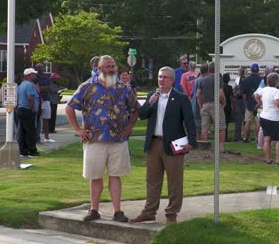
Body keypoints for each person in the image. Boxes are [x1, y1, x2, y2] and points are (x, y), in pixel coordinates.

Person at [65, 55, 139, 222]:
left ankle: (117, 211)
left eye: (113, 66)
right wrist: (78, 129)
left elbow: (135, 109)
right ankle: (94, 210)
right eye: (107, 66)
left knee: (116, 175)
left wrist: (129, 127)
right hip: (94, 140)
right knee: (95, 176)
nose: (112, 69)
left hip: (118, 140)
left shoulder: (123, 88)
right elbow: (70, 108)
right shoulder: (86, 87)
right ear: (99, 68)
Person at [130, 66, 196, 224]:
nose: (162, 80)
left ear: (172, 80)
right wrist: (150, 102)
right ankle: (149, 211)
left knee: (174, 182)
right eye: (160, 77)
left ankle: (171, 213)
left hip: (173, 145)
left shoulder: (180, 98)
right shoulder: (152, 96)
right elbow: (143, 115)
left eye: (165, 77)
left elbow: (190, 122)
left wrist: (191, 142)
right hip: (154, 144)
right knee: (152, 180)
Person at [254, 73, 279, 165]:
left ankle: (268, 160)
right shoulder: (276, 91)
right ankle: (278, 160)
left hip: (264, 117)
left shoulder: (264, 90)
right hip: (275, 118)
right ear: (277, 82)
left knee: (267, 138)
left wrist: (260, 104)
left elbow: (255, 94)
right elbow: (278, 102)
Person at [197, 62, 226, 150]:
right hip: (215, 104)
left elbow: (198, 95)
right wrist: (224, 102)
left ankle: (204, 148)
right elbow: (220, 94)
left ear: (209, 69)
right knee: (221, 127)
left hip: (205, 105)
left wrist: (201, 106)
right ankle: (220, 148)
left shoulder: (202, 80)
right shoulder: (218, 79)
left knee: (204, 128)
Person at [17, 68, 41, 157]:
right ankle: (32, 151)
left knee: (22, 131)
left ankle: (23, 150)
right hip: (27, 109)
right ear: (28, 75)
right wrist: (32, 109)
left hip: (21, 109)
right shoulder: (29, 85)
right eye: (33, 74)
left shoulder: (21, 84)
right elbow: (30, 98)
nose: (34, 76)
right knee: (30, 131)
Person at [34, 63, 55, 143]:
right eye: (38, 68)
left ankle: (47, 137)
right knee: (37, 119)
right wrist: (42, 88)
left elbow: (49, 88)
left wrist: (41, 88)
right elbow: (36, 88)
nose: (40, 69)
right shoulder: (35, 77)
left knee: (46, 119)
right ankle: (37, 137)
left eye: (41, 68)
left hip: (46, 99)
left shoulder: (46, 78)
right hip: (38, 100)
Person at [242, 63, 262, 143]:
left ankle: (245, 138)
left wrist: (246, 101)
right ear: (258, 70)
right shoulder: (261, 80)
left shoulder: (246, 80)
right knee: (258, 122)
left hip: (249, 104)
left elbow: (243, 95)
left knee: (248, 121)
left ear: (251, 70)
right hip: (259, 104)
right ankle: (257, 139)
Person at [233, 67, 246, 141]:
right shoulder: (237, 79)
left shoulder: (245, 79)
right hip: (239, 100)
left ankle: (244, 136)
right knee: (239, 120)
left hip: (242, 100)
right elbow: (235, 88)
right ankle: (237, 136)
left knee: (244, 120)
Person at [222, 73, 234, 142]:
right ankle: (225, 137)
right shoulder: (229, 87)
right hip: (228, 106)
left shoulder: (221, 87)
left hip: (222, 106)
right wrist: (232, 105)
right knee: (226, 122)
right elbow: (231, 97)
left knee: (221, 121)